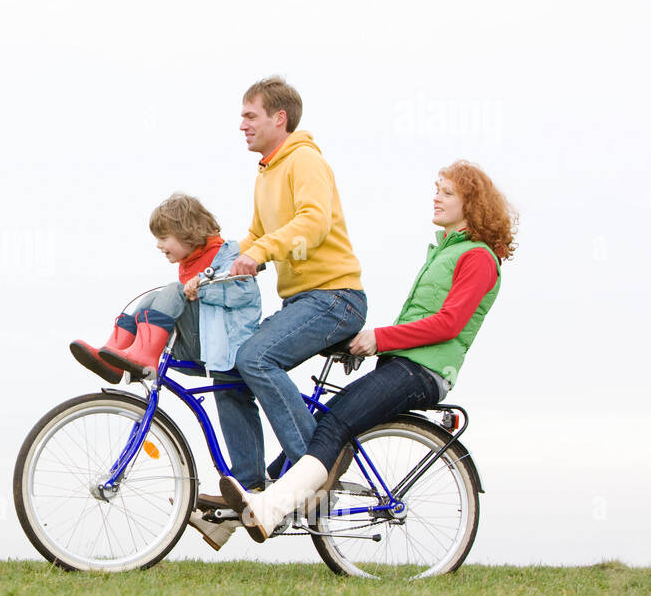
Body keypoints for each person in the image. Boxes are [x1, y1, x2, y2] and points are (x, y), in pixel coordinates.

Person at [219, 160, 517, 541]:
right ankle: (239, 513)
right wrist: (375, 346)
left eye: (447, 193)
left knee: (333, 424)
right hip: (406, 364)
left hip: (424, 371)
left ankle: (272, 507)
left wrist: (380, 338)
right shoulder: (446, 252)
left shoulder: (476, 257)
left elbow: (449, 324)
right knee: (326, 420)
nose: (436, 198)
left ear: (471, 204)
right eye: (437, 190)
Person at [204, 77, 367, 518]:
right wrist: (210, 269)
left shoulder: (305, 161)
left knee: (256, 358)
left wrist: (261, 253)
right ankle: (250, 482)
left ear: (280, 118)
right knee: (229, 366)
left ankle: (316, 471)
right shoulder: (267, 172)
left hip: (336, 297)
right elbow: (256, 234)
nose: (242, 124)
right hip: (304, 302)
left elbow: (313, 222)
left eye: (250, 115)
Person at [70, 193, 260, 387]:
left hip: (219, 346)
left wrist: (201, 290)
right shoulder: (189, 262)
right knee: (153, 297)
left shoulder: (225, 256)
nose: (158, 245)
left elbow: (243, 294)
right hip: (199, 340)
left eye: (163, 238)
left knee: (173, 290)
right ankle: (114, 353)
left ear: (187, 232)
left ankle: (144, 354)